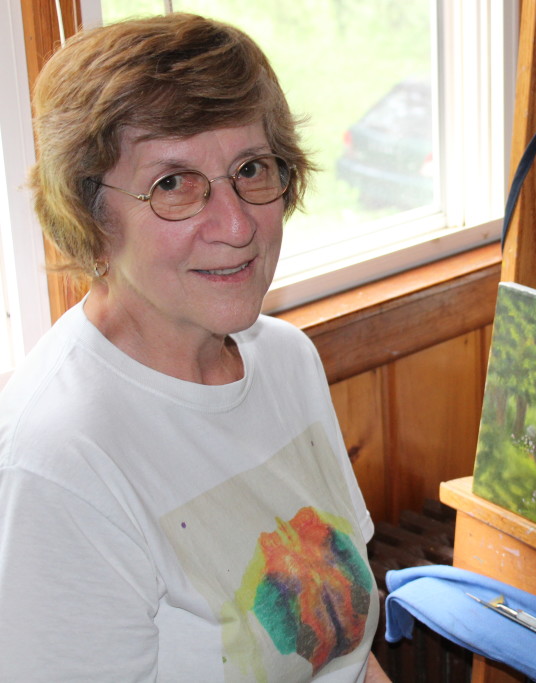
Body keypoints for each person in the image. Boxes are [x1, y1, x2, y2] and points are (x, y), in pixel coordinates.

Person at [0, 13, 389, 682]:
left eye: (251, 168)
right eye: (173, 184)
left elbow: (347, 660)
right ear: (91, 214)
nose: (237, 224)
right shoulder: (56, 464)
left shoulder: (288, 360)